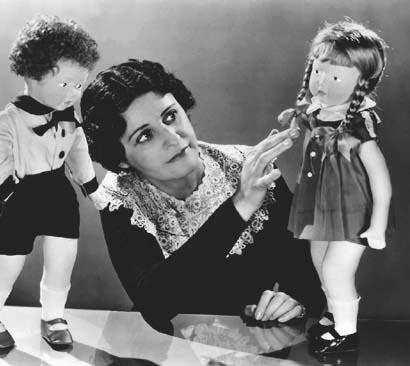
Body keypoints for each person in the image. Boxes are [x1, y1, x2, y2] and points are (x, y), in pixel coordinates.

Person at [80, 59, 325, 335]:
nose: (173, 138)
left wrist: (292, 303)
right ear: (122, 161)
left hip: (253, 347)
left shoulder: (251, 169)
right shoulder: (119, 197)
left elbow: (310, 285)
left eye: (170, 116)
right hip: (163, 350)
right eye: (145, 135)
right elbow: (154, 303)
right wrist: (240, 205)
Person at [0, 15, 100, 349]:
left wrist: (90, 186)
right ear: (33, 73)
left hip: (57, 192)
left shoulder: (70, 120)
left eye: (79, 85)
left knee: (62, 259)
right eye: (65, 84)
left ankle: (54, 316)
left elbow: (78, 150)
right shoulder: (7, 121)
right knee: (6, 265)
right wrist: (7, 191)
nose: (73, 93)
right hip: (16, 196)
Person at [278, 20, 391, 353]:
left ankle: (347, 332)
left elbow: (379, 177)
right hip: (318, 205)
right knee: (318, 261)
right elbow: (309, 155)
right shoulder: (315, 114)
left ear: (362, 82)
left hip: (354, 210)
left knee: (335, 269)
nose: (322, 83)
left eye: (336, 77)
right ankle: (331, 316)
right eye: (317, 72)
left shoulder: (359, 123)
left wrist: (379, 222)